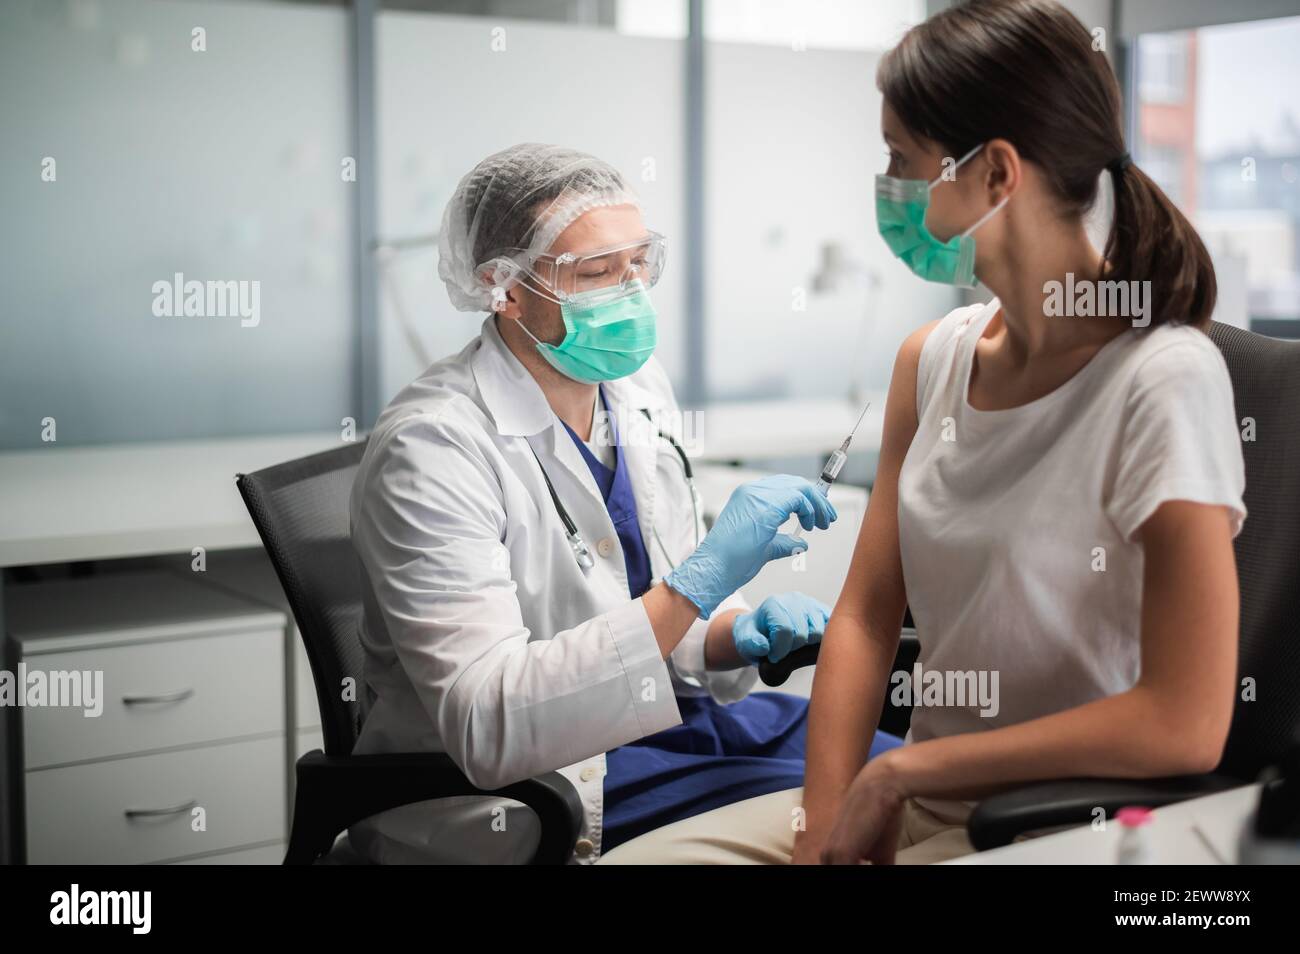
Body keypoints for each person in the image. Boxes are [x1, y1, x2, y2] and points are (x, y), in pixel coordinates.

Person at [599, 0, 1246, 865]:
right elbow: (866, 619)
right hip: (916, 801)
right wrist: (823, 823)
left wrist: (899, 774)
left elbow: (1186, 722)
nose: (889, 186)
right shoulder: (931, 360)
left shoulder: (1163, 380)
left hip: (1068, 826)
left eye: (902, 159)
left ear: (996, 175)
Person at [346, 143, 900, 864]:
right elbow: (490, 724)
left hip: (670, 720)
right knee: (861, 808)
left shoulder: (635, 393)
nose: (631, 292)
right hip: (549, 778)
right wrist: (697, 584)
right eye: (597, 273)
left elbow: (636, 596)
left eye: (639, 263)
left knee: (905, 767)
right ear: (503, 288)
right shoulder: (432, 449)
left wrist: (734, 632)